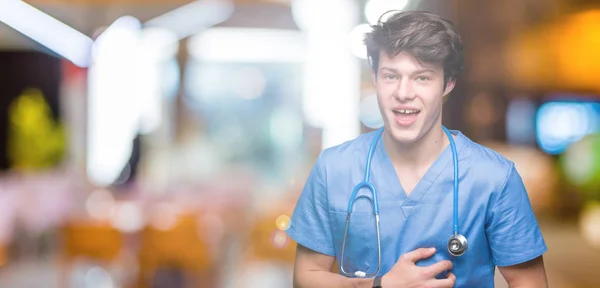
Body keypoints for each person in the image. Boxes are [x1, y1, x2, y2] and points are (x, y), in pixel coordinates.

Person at [287, 10, 548, 288]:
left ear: (448, 83)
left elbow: (528, 282)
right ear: (374, 77)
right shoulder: (334, 169)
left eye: (422, 78)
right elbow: (307, 277)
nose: (403, 92)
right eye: (390, 76)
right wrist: (380, 285)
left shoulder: (494, 178)